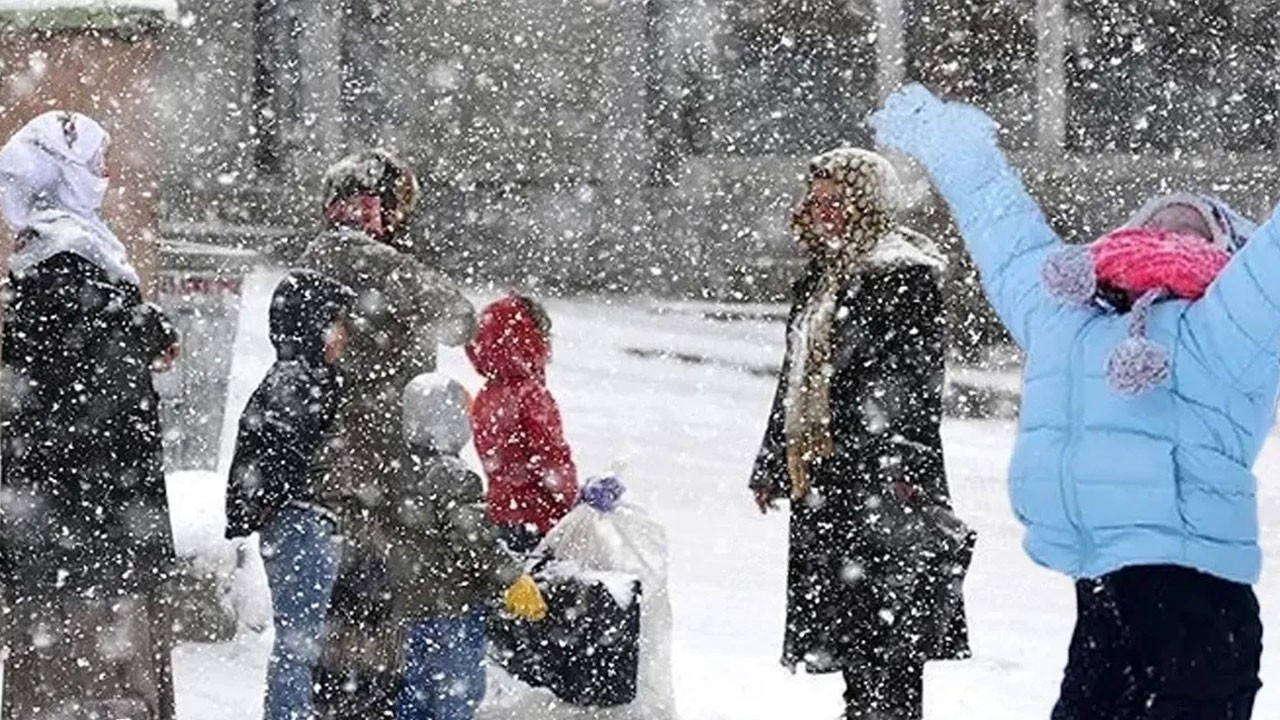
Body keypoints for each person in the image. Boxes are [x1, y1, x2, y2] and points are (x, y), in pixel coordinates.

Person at [872, 84, 1271, 719]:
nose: (1171, 220)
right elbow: (1002, 228)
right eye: (1156, 217)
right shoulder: (1068, 314)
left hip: (1199, 597)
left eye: (1196, 219)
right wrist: (957, 150)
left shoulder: (1229, 324)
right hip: (1104, 590)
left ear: (1227, 251)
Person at [748, 147, 973, 720]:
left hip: (884, 481)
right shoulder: (822, 280)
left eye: (834, 201)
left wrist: (893, 462)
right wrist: (775, 462)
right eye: (814, 200)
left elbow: (916, 384)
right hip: (828, 480)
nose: (820, 211)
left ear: (868, 203)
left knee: (892, 637)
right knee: (851, 635)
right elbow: (795, 377)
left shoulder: (903, 278)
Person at [0, 111, 181, 719]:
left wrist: (137, 327)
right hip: (87, 540)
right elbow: (84, 399)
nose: (106, 173)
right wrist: (134, 332)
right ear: (64, 171)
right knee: (96, 693)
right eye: (96, 162)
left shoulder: (65, 256)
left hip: (69, 537)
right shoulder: (66, 264)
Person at [297, 148, 476, 719]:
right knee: (364, 610)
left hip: (360, 464)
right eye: (394, 204)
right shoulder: (359, 257)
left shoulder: (343, 255)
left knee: (360, 609)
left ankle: (352, 701)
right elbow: (459, 316)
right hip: (363, 468)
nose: (401, 217)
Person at [225, 269, 356, 720]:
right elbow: (281, 460)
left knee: (301, 640)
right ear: (313, 324)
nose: (343, 335)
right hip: (301, 522)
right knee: (299, 642)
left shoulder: (303, 377)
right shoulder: (300, 382)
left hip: (301, 522)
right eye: (336, 323)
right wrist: (305, 502)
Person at [381, 373, 547, 720]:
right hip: (452, 609)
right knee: (455, 698)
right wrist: (512, 579)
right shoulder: (454, 475)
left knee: (416, 697)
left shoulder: (398, 470)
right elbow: (476, 541)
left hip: (410, 608)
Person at [466, 294, 578, 553]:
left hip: (503, 514)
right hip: (538, 520)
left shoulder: (488, 394)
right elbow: (552, 459)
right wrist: (573, 499)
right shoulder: (530, 395)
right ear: (529, 339)